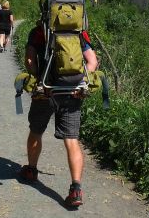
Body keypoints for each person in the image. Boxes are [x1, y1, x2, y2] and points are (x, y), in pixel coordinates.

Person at [18, 22, 98, 208]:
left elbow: (30, 59)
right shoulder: (79, 32)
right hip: (73, 92)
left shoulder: (39, 31)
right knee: (72, 139)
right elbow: (92, 61)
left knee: (36, 130)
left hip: (46, 90)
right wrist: (82, 84)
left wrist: (38, 79)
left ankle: (31, 170)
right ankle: (76, 189)